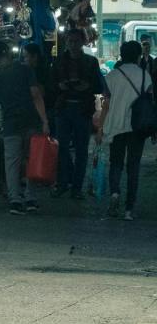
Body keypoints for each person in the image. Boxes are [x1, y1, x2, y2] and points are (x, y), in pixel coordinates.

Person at [0, 41, 49, 215]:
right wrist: (45, 121)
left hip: (11, 124)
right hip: (31, 122)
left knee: (12, 163)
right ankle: (30, 198)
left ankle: (15, 200)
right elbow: (36, 95)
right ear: (9, 52)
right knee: (31, 160)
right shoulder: (25, 70)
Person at [98, 41, 153, 220]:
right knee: (133, 166)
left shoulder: (112, 76)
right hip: (138, 126)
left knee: (116, 163)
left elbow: (105, 105)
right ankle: (129, 209)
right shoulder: (145, 76)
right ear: (138, 56)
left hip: (116, 126)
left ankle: (114, 194)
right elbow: (151, 103)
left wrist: (100, 128)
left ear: (121, 55)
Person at [50, 29, 103, 199]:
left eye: (76, 41)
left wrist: (86, 86)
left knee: (81, 150)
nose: (73, 44)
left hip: (82, 109)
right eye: (70, 41)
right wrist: (61, 86)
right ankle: (63, 183)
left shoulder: (91, 62)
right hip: (63, 108)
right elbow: (51, 84)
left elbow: (98, 85)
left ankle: (76, 188)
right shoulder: (58, 61)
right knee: (62, 148)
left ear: (82, 42)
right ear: (66, 42)